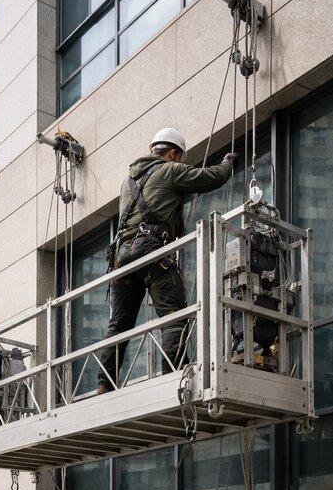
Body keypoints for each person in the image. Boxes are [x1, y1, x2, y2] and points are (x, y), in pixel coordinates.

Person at [97, 128, 238, 393]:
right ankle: (173, 374)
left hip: (121, 258)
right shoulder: (169, 170)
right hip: (151, 251)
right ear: (172, 153)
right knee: (173, 315)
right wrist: (227, 164)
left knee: (119, 324)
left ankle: (105, 383)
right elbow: (210, 178)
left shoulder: (127, 182)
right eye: (180, 157)